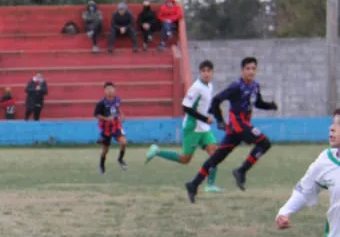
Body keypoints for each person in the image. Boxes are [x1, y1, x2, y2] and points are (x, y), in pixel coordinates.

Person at [184, 57, 278, 203]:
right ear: (242, 71)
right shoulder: (236, 86)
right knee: (264, 143)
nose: (251, 71)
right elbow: (216, 101)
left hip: (239, 128)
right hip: (238, 125)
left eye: (253, 68)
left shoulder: (254, 86)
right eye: (248, 68)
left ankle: (194, 183)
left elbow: (257, 102)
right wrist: (220, 120)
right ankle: (241, 171)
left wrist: (269, 106)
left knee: (217, 157)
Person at [145, 60, 223, 192]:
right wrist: (205, 118)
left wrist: (211, 114)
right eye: (203, 71)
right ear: (200, 73)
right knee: (185, 159)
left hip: (203, 128)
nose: (206, 74)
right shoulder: (196, 87)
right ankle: (157, 151)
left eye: (208, 71)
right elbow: (186, 107)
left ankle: (210, 185)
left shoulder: (209, 86)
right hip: (192, 127)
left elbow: (202, 106)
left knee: (215, 154)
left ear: (212, 73)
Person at [94, 82, 127, 173]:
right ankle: (102, 164)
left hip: (116, 125)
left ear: (114, 90)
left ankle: (120, 159)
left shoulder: (117, 100)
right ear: (104, 91)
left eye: (111, 89)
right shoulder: (101, 103)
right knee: (105, 150)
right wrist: (106, 118)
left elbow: (118, 107)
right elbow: (96, 115)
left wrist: (122, 115)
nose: (110, 91)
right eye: (108, 89)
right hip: (106, 128)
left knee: (123, 142)